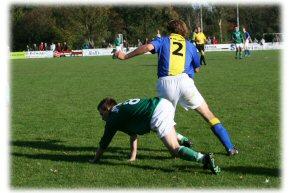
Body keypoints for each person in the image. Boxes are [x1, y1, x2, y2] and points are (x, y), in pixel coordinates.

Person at [115, 19, 238, 156]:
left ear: (170, 30)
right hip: (185, 82)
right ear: (184, 31)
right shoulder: (189, 45)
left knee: (163, 119)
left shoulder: (163, 40)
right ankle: (230, 147)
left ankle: (178, 145)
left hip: (166, 84)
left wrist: (125, 56)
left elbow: (148, 47)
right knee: (208, 115)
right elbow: (197, 69)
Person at [89, 97, 221, 175]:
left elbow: (104, 143)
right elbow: (133, 134)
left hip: (156, 112)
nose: (101, 117)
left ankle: (204, 159)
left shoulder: (113, 118)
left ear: (107, 110)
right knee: (155, 127)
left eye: (101, 114)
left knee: (174, 150)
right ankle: (182, 139)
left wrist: (95, 160)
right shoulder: (120, 109)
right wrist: (133, 156)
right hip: (163, 103)